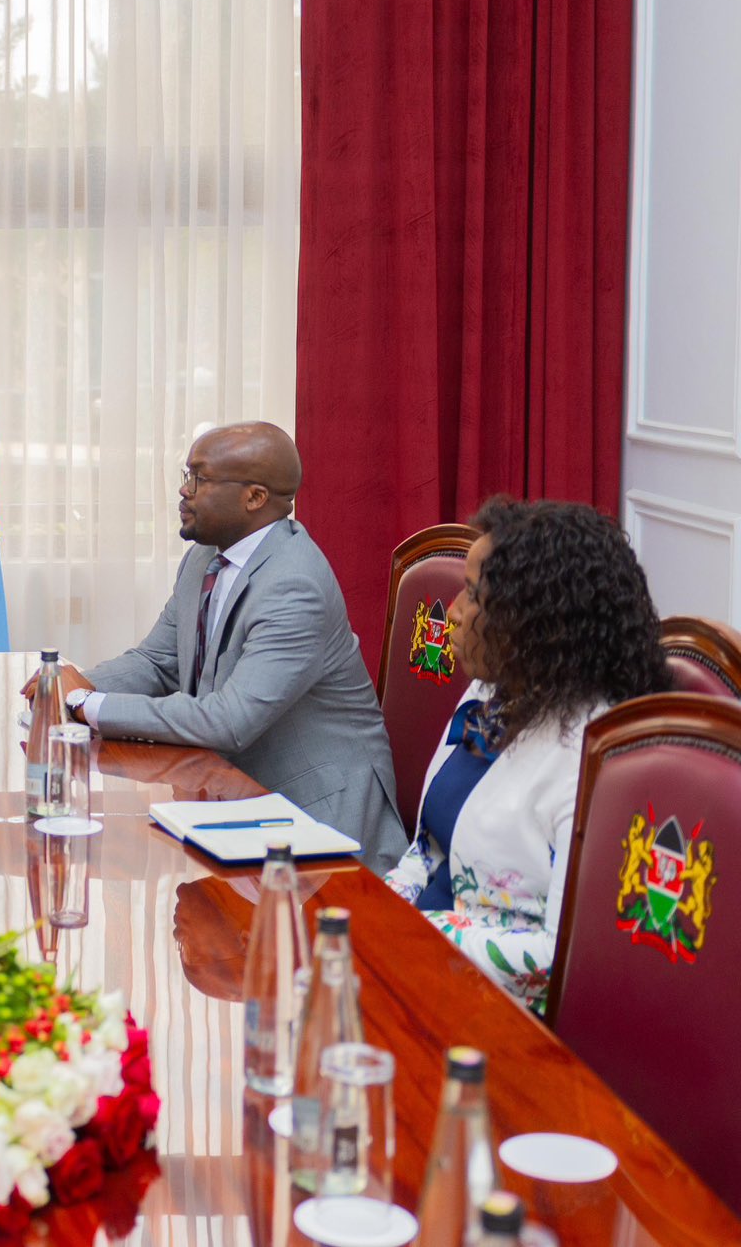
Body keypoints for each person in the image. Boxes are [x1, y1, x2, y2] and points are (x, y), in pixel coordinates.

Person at [62, 422, 408, 869]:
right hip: (234, 800)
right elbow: (158, 661)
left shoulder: (293, 584)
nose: (184, 492)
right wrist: (61, 688)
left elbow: (228, 720)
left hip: (317, 825)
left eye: (199, 479)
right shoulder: (205, 558)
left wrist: (85, 701)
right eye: (185, 476)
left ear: (255, 497)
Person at [384, 497, 666, 1013]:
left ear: (534, 621)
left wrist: (413, 934)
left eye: (472, 595)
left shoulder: (595, 758)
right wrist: (371, 918)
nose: (452, 613)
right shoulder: (491, 693)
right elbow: (427, 852)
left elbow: (561, 956)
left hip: (501, 1014)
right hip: (416, 966)